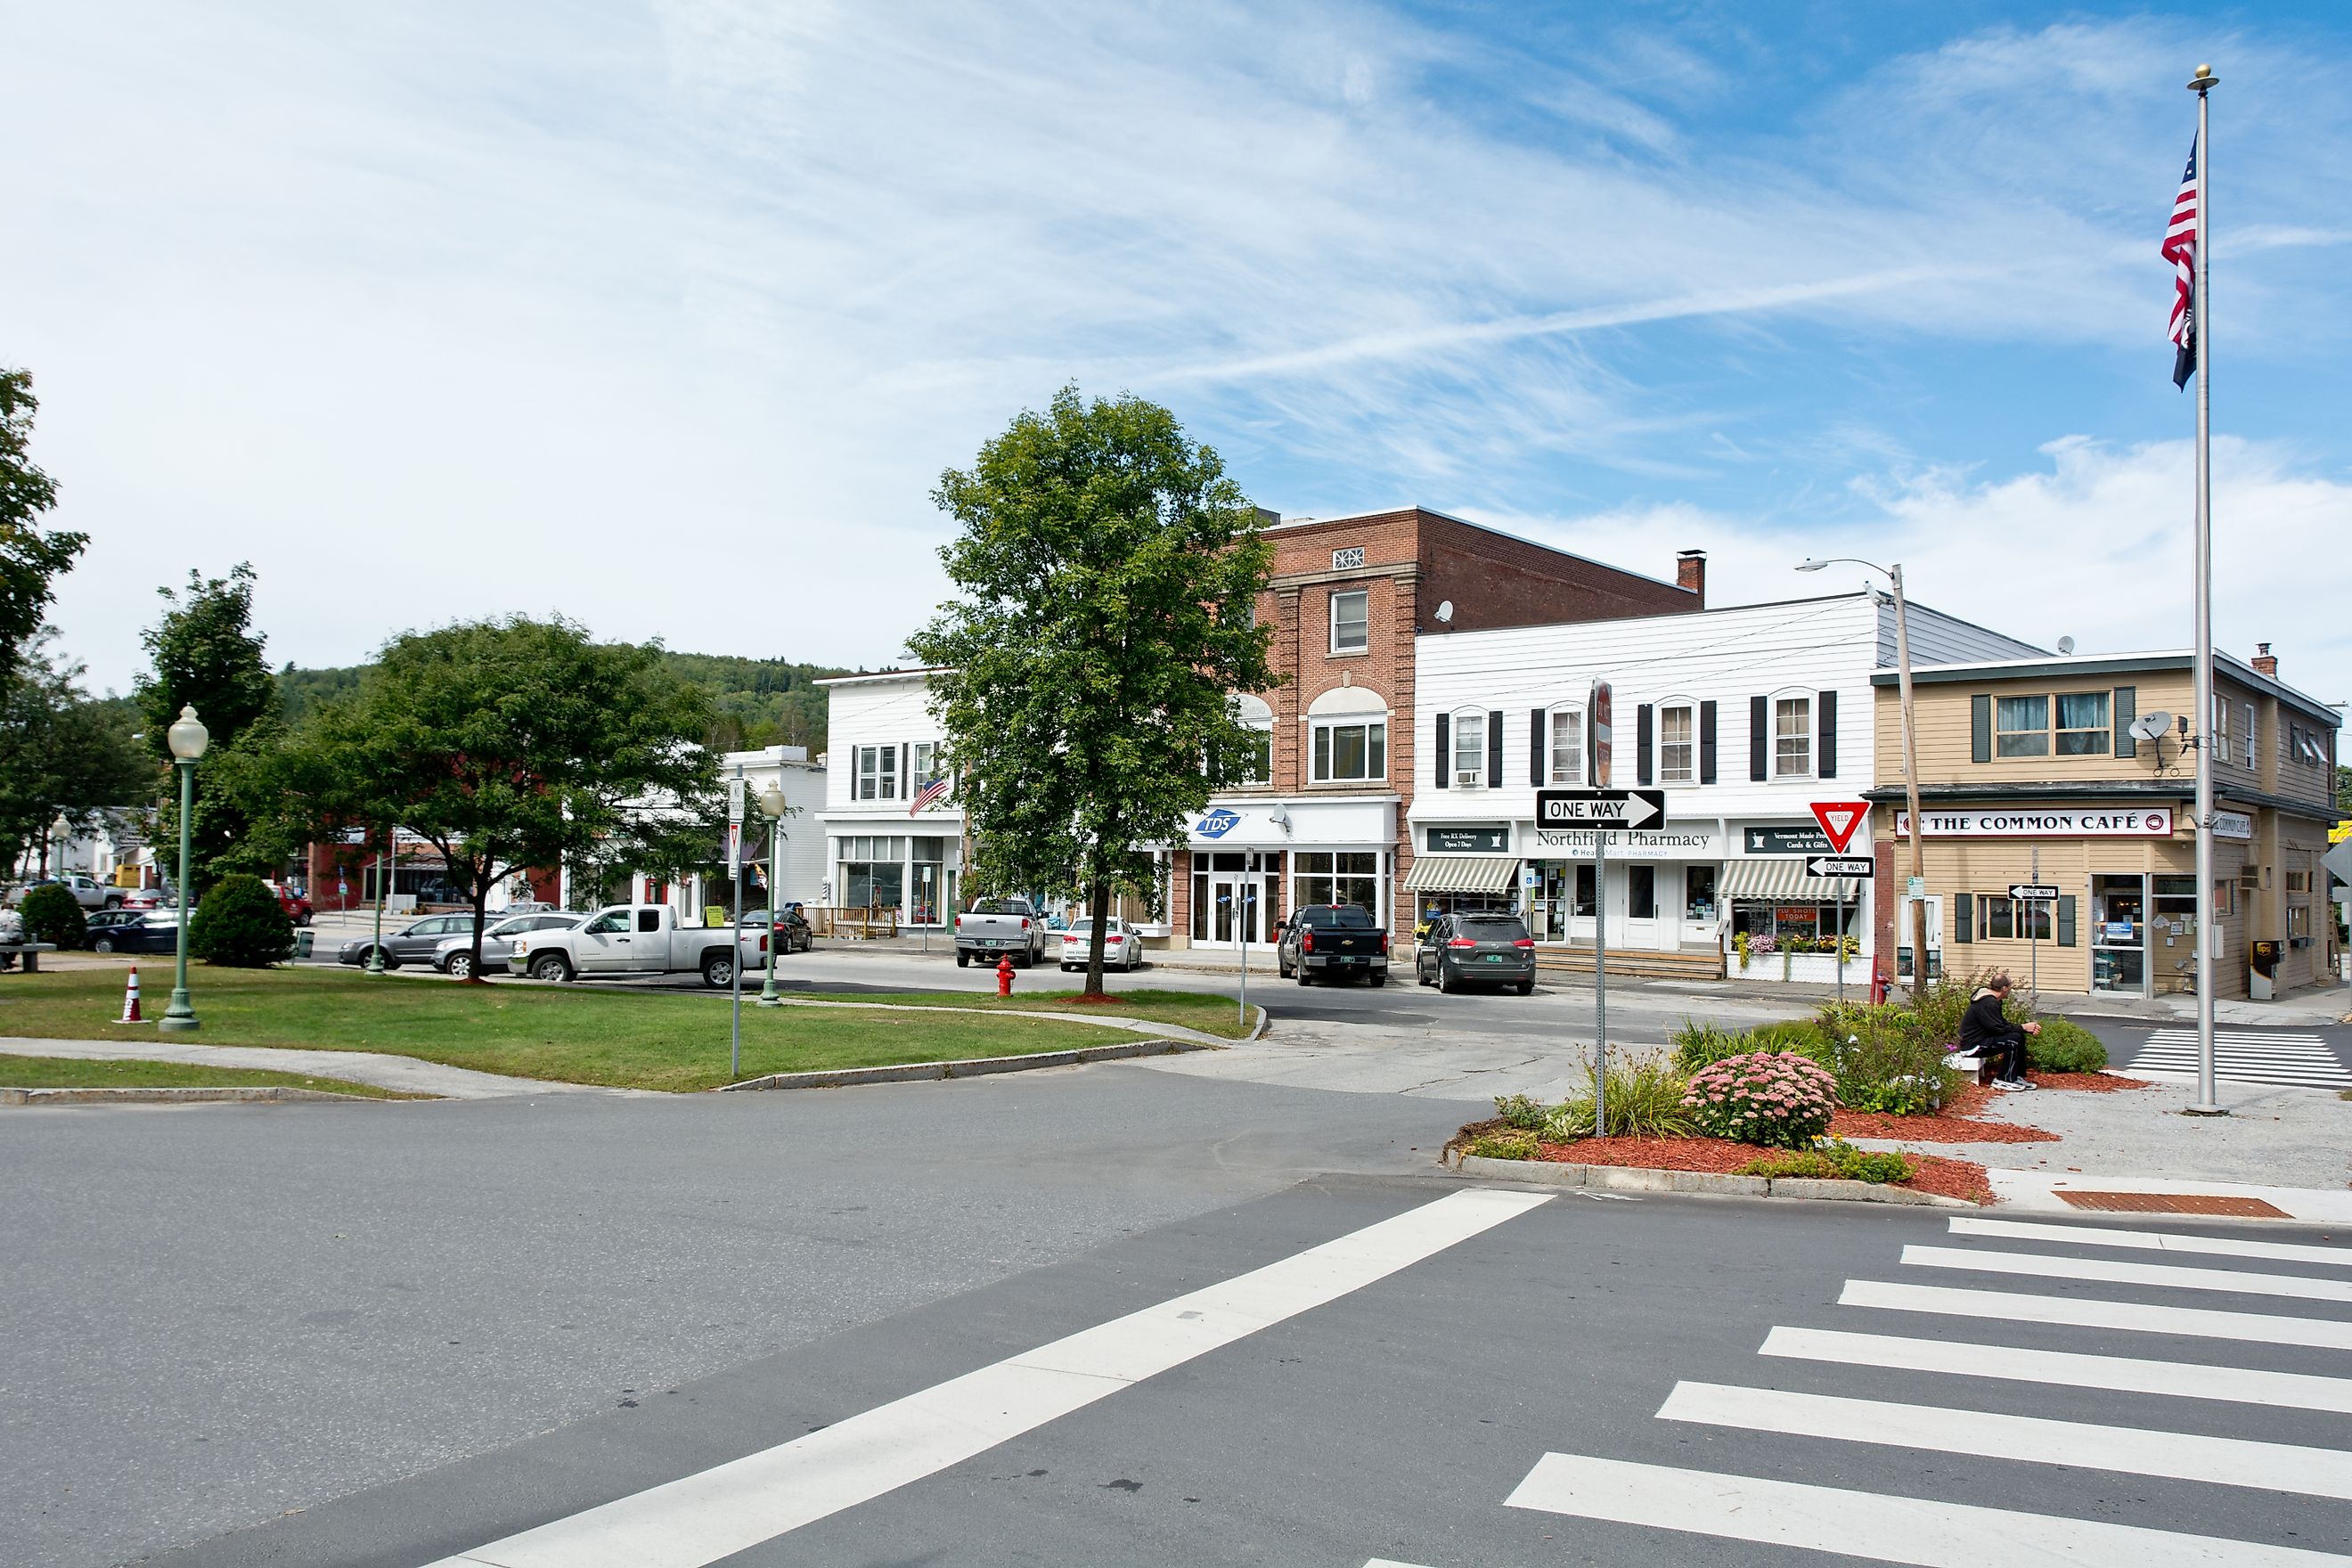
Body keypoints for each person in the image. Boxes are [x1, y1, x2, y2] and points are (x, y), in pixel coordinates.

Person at [1959, 973, 2041, 1090]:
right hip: (1972, 1046)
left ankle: (2014, 1076)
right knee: (2014, 1040)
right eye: (2010, 988)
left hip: (1982, 1041)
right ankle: (2003, 1079)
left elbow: (2001, 1024)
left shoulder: (1993, 1000)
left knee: (2018, 1036)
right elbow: (1998, 1029)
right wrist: (2023, 1027)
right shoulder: (1988, 1002)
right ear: (2004, 988)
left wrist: (2024, 1029)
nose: (2010, 991)